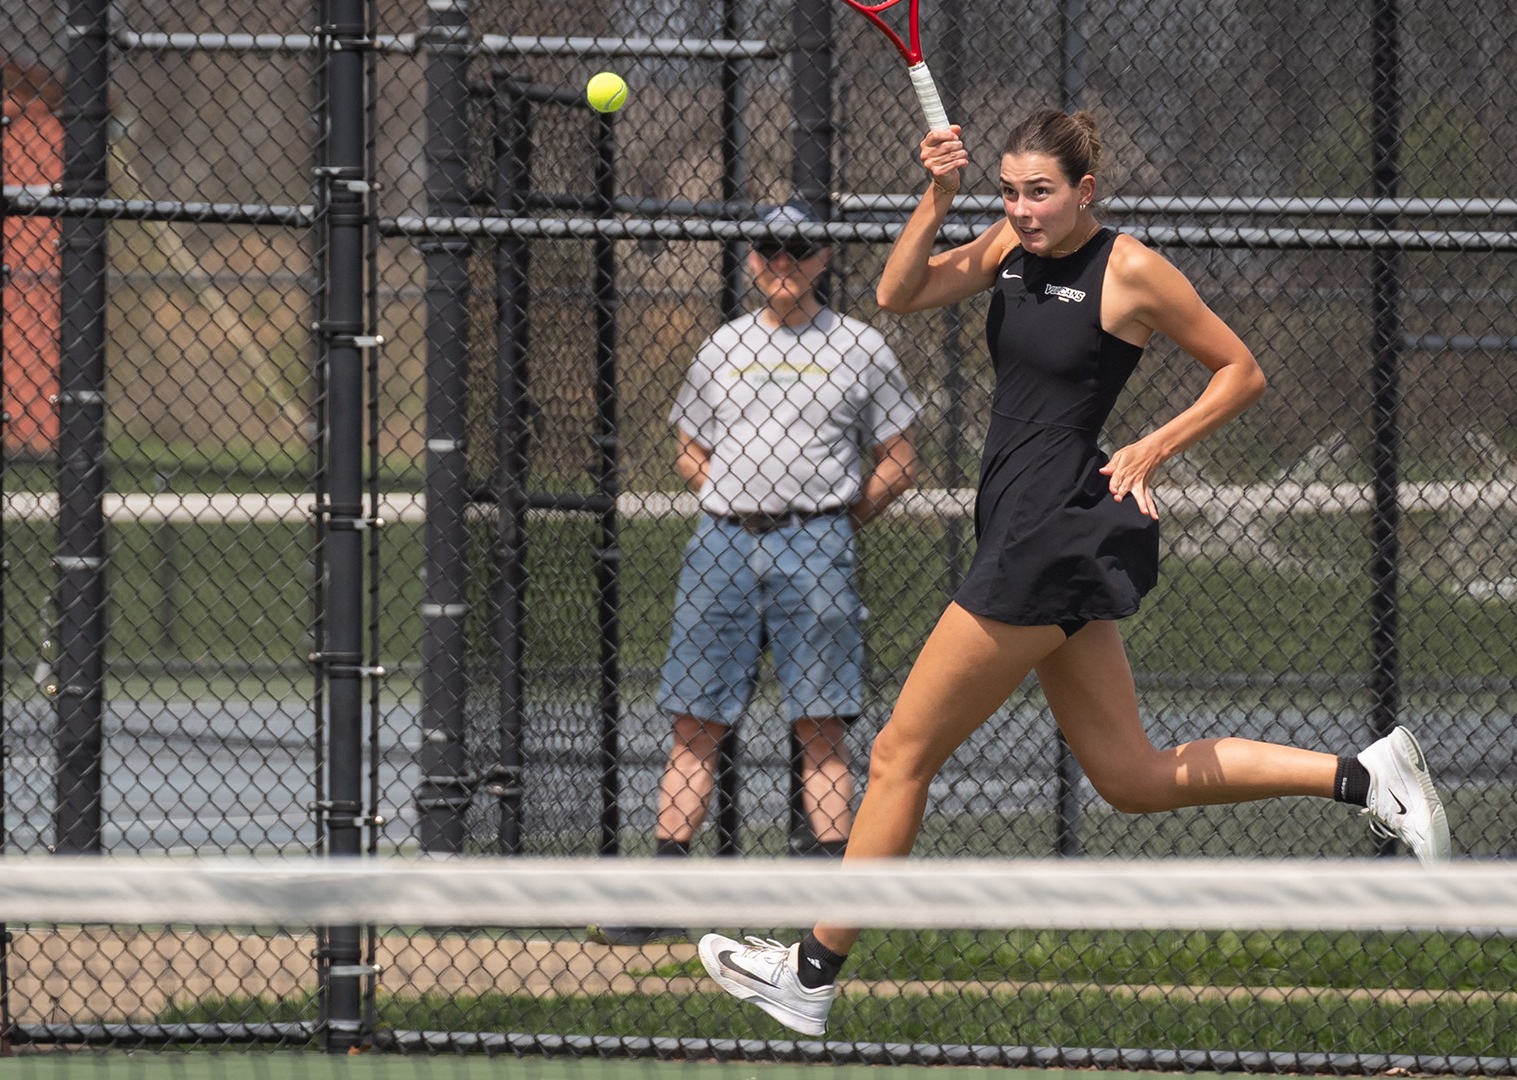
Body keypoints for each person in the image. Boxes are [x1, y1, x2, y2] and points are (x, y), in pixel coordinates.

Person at [695, 111, 1452, 1033]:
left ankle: (809, 974)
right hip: (1030, 531)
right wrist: (937, 198)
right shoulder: (1008, 249)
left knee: (899, 754)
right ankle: (1367, 778)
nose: (1021, 208)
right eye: (1008, 191)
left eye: (1039, 192)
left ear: (1086, 191)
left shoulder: (1127, 268)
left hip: (1047, 536)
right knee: (1131, 778)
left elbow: (1240, 372)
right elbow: (899, 293)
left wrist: (1154, 444)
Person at [589, 202, 921, 947]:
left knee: (821, 726)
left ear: (823, 259)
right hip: (722, 547)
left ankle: (839, 906)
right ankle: (664, 893)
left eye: (797, 252)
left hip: (818, 545)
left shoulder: (860, 347)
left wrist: (835, 523)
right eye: (769, 251)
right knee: (694, 725)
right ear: (750, 259)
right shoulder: (722, 346)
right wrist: (726, 500)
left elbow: (899, 461)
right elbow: (688, 448)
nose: (782, 264)